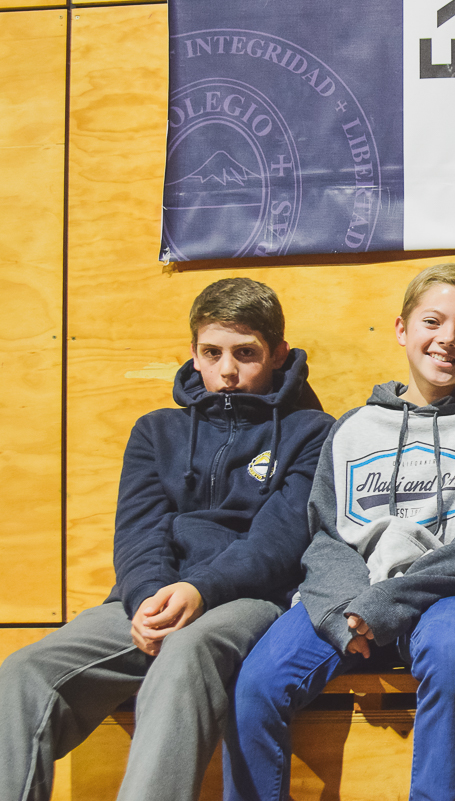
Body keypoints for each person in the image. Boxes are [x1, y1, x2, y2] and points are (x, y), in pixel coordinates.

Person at [0, 278, 332, 801]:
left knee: (185, 651)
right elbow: (138, 531)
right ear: (194, 354)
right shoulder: (155, 432)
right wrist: (148, 599)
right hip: (150, 599)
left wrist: (200, 590)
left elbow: (279, 542)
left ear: (277, 354)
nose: (227, 370)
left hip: (250, 599)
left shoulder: (312, 431)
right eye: (212, 353)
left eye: (245, 353)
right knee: (24, 673)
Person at [223, 264, 455, 801]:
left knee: (453, 659)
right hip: (350, 594)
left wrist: (389, 602)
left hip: (444, 593)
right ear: (402, 329)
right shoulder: (353, 426)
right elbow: (326, 534)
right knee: (257, 683)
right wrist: (343, 607)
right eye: (432, 321)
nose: (447, 339)